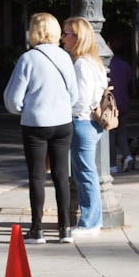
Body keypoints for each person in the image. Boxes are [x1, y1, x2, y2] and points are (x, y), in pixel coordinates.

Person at [3, 12, 77, 244]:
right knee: (61, 175)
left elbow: (13, 99)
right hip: (63, 123)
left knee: (37, 176)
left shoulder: (28, 59)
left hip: (35, 123)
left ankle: (37, 229)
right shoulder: (65, 57)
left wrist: (24, 109)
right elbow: (74, 95)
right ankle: (65, 228)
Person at [60, 16, 107, 237]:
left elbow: (81, 99)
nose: (62, 38)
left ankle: (90, 223)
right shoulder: (93, 61)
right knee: (87, 172)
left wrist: (63, 108)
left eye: (66, 33)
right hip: (92, 123)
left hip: (82, 121)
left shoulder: (80, 63)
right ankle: (91, 220)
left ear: (78, 38)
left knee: (85, 173)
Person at [106, 45, 133, 173]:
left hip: (110, 104)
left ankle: (112, 165)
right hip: (123, 103)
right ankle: (127, 155)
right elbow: (130, 83)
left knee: (110, 134)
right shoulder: (124, 64)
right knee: (122, 132)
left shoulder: (104, 65)